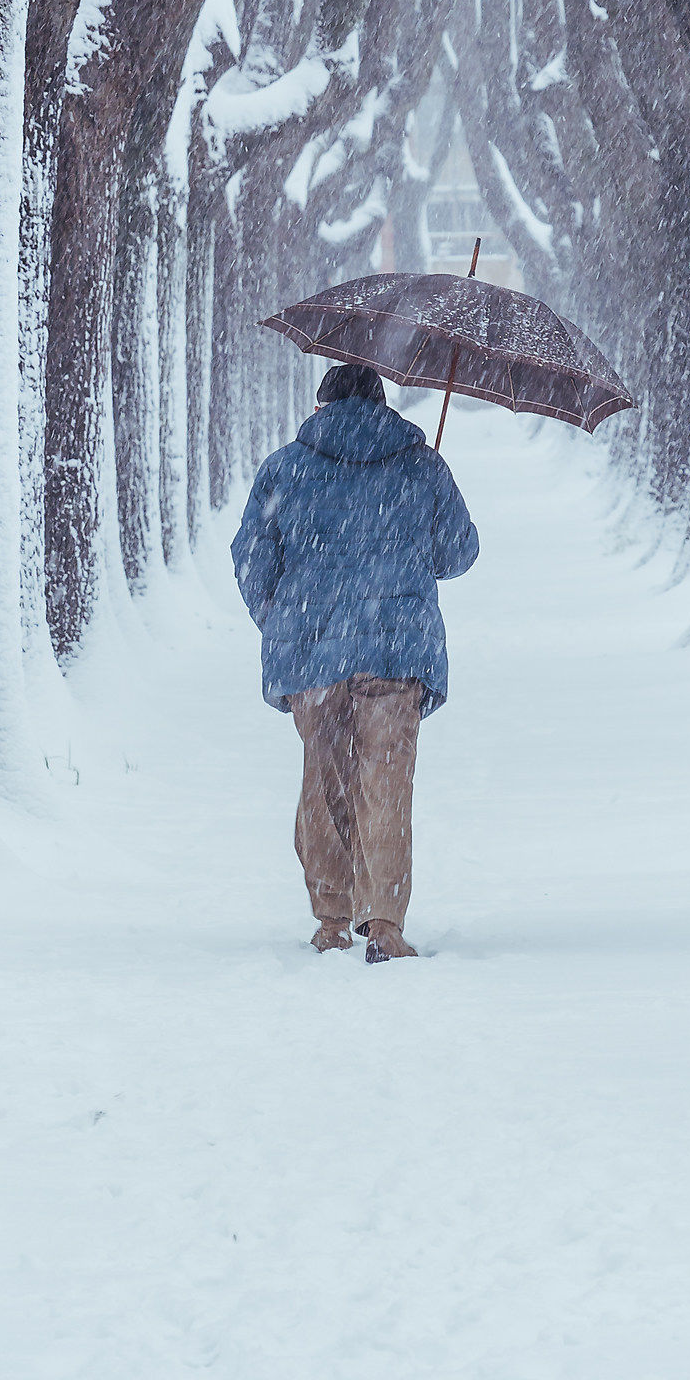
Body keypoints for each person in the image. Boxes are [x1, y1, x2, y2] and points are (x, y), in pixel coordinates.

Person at [231, 361, 479, 961]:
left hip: (312, 648)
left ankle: (331, 921)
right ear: (384, 406)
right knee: (385, 782)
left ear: (321, 408)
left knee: (324, 781)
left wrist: (283, 618)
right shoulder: (419, 466)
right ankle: (385, 924)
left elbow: (250, 559)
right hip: (397, 647)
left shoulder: (285, 468)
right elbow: (458, 554)